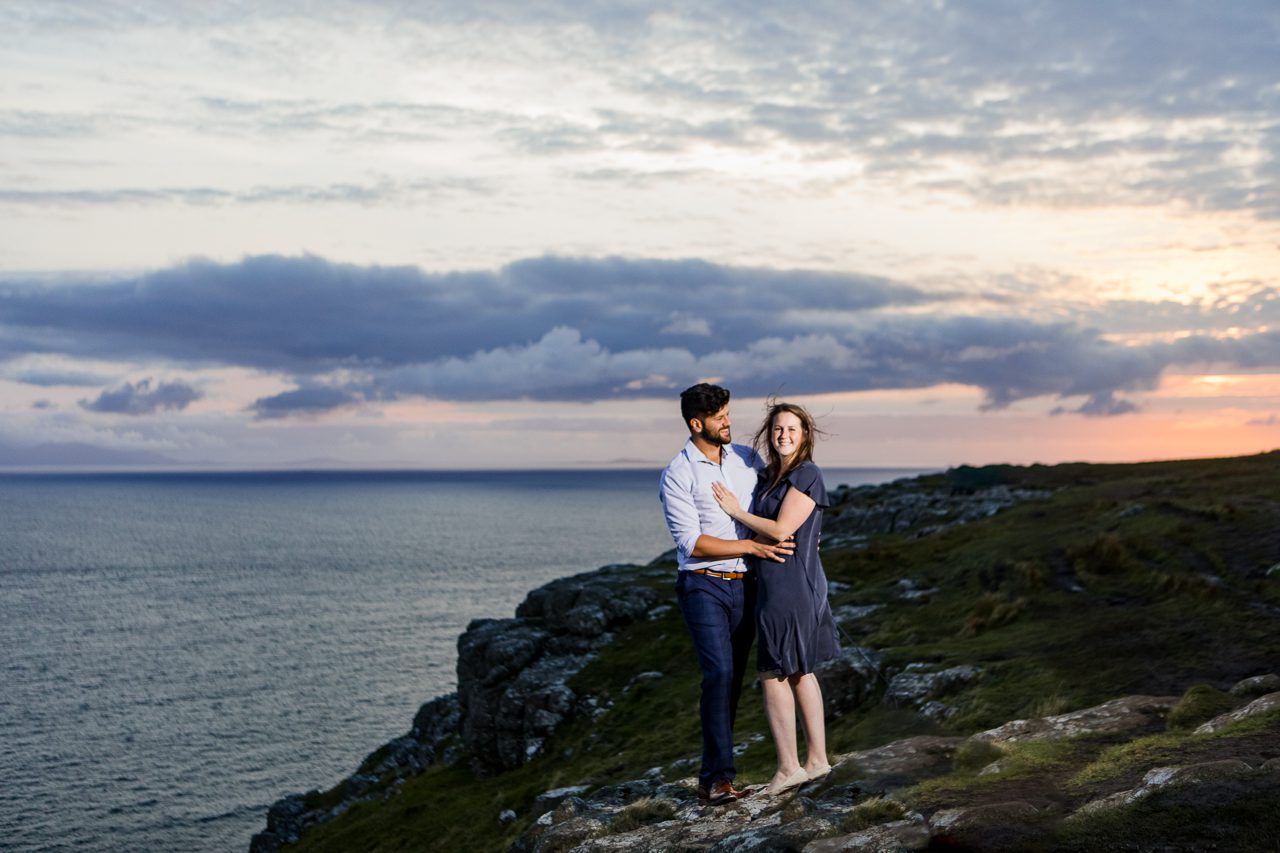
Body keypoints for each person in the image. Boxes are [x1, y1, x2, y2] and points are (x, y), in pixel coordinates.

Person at [659, 383, 795, 806]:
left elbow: (773, 502)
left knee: (732, 681)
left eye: (728, 413)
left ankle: (715, 778)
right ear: (697, 424)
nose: (728, 421)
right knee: (717, 674)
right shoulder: (678, 473)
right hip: (703, 585)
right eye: (720, 417)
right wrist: (753, 546)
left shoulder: (745, 459)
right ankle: (717, 778)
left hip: (747, 584)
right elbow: (693, 544)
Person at [712, 401, 839, 795]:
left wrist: (735, 511)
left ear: (805, 436)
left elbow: (783, 529)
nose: (783, 435)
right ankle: (816, 762)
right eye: (777, 429)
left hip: (791, 585)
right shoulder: (770, 475)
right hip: (779, 581)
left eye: (792, 429)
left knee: (773, 673)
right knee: (800, 670)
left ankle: (789, 768)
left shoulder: (807, 474)